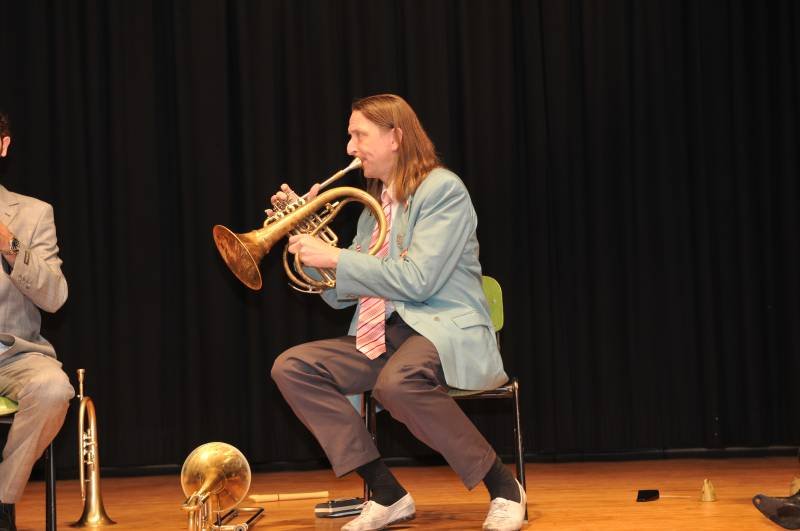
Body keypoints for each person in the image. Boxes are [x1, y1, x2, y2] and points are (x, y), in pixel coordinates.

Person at [270, 94, 527, 531]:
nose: (350, 148)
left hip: (443, 329)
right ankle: (387, 494)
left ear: (395, 137)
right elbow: (338, 298)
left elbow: (419, 280)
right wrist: (309, 243)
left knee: (397, 383)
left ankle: (504, 486)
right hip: (384, 336)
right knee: (292, 367)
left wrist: (336, 258)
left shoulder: (443, 190)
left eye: (359, 135)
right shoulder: (373, 213)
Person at [0, 111, 75, 531]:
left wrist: (9, 243)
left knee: (53, 389)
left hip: (14, 355)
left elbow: (55, 298)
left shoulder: (33, 214)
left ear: (3, 146)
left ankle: (1, 499)